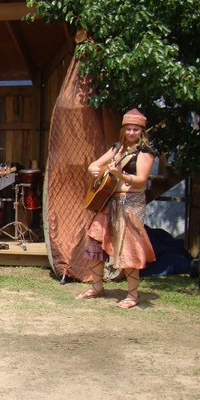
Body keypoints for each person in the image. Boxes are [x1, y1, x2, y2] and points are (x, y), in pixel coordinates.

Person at [76, 108, 156, 309]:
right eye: (128, 129)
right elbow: (94, 164)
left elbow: (141, 180)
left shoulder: (145, 152)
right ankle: (97, 287)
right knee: (95, 239)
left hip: (131, 202)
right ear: (123, 129)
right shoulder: (117, 148)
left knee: (129, 246)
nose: (131, 132)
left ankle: (133, 295)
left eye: (135, 129)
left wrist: (119, 175)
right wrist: (94, 170)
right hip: (109, 200)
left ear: (142, 131)